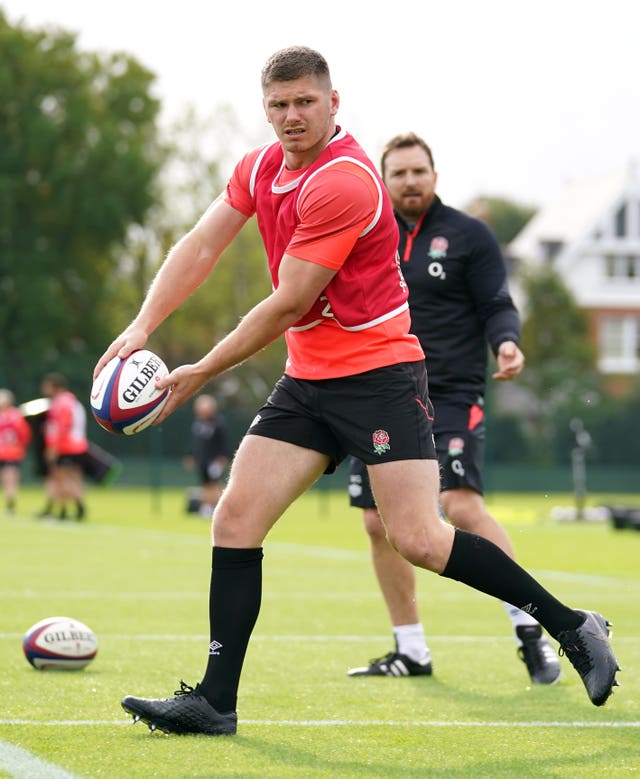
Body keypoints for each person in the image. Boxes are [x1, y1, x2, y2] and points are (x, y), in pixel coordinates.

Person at [94, 46, 619, 736]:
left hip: (378, 378)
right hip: (308, 379)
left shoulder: (344, 181)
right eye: (278, 105)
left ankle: (572, 625)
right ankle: (215, 700)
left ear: (333, 103)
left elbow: (286, 303)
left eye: (304, 102)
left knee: (422, 539)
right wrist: (141, 326)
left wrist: (197, 373)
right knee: (235, 519)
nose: (291, 117)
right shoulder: (257, 169)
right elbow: (199, 247)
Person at [347, 133, 561, 685]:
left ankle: (530, 627)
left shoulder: (470, 236)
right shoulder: (366, 234)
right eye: (399, 173)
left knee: (461, 507)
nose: (410, 181)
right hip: (380, 395)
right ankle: (411, 649)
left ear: (435, 176)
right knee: (378, 523)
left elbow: (497, 304)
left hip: (452, 395)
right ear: (384, 179)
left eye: (420, 171)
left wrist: (507, 342)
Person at [39, 373, 89, 521]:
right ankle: (79, 508)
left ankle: (64, 511)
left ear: (54, 386)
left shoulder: (62, 403)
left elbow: (61, 426)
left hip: (66, 446)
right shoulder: (72, 402)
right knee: (74, 478)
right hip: (77, 446)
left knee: (62, 478)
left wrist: (53, 447)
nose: (44, 389)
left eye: (47, 386)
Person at [184, 393, 230, 517]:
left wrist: (222, 459)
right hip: (202, 460)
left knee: (214, 484)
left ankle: (221, 507)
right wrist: (191, 455)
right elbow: (196, 443)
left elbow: (223, 443)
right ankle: (207, 507)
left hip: (214, 461)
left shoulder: (218, 424)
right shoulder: (198, 424)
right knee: (205, 485)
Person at [0, 389, 32, 514]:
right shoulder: (16, 415)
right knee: (9, 478)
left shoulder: (13, 415)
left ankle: (10, 503)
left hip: (10, 452)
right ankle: (10, 503)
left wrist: (18, 447)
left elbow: (23, 434)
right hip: (10, 451)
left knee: (10, 478)